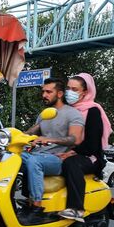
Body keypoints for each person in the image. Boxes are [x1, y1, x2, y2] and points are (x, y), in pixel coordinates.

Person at [21, 78, 84, 217]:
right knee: (9, 158)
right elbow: (32, 131)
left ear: (60, 94)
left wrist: (49, 139)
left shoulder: (72, 114)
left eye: (49, 92)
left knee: (33, 162)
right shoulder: (45, 114)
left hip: (56, 159)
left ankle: (37, 206)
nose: (44, 95)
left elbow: (75, 139)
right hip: (37, 154)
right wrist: (11, 135)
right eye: (43, 91)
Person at [58, 73, 113, 221]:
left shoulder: (92, 110)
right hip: (65, 152)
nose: (70, 92)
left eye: (74, 89)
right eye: (68, 88)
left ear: (85, 92)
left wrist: (72, 152)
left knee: (71, 164)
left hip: (90, 157)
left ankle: (76, 208)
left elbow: (92, 144)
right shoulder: (63, 110)